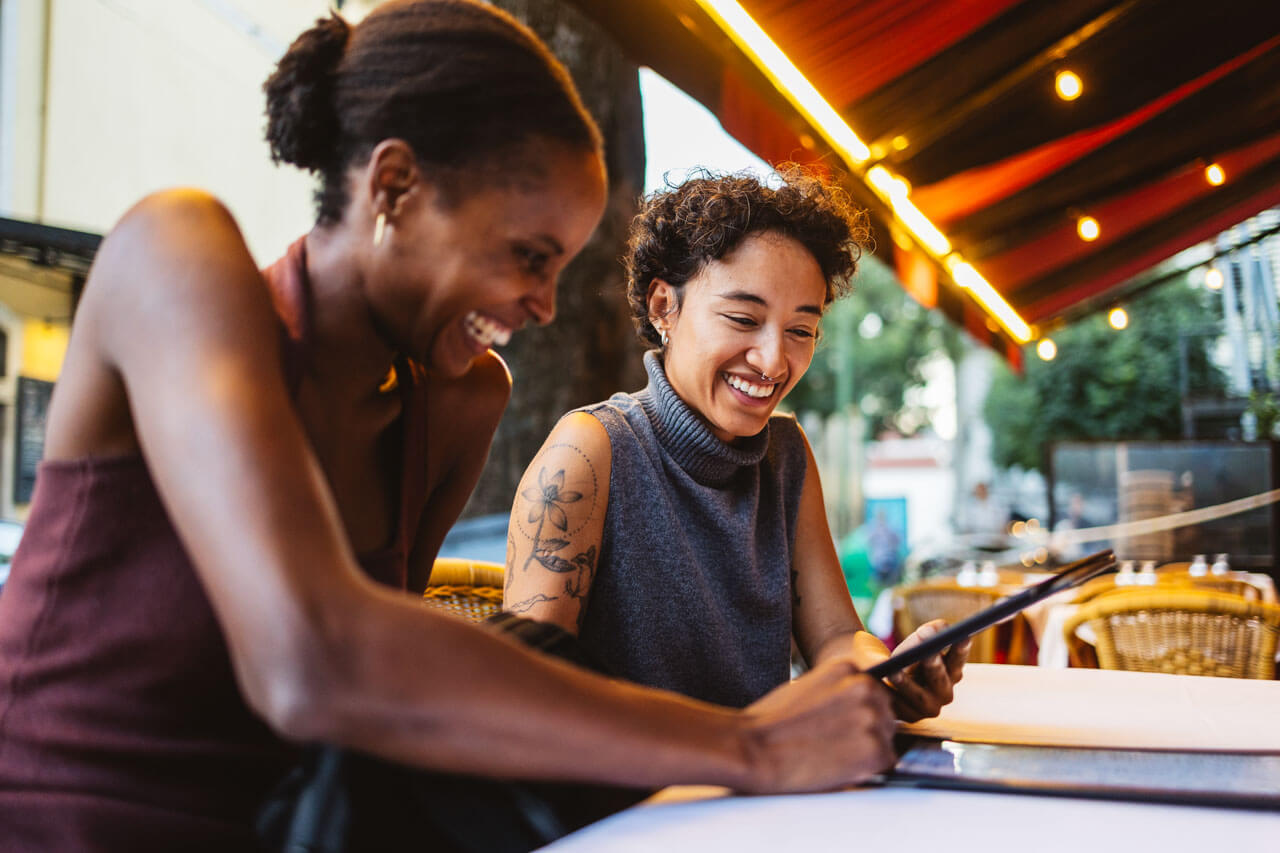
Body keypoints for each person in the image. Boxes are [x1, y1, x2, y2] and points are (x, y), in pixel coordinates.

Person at [0, 5, 899, 850]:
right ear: (394, 186)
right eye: (528, 256)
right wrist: (749, 745)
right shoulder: (176, 252)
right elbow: (316, 662)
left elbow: (396, 687)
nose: (544, 306)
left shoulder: (462, 401)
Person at [504, 170, 967, 719]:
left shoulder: (786, 454)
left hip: (757, 790)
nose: (773, 361)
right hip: (630, 797)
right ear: (663, 308)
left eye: (801, 330)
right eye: (743, 318)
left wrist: (888, 674)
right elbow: (525, 694)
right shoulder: (591, 449)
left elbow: (838, 636)